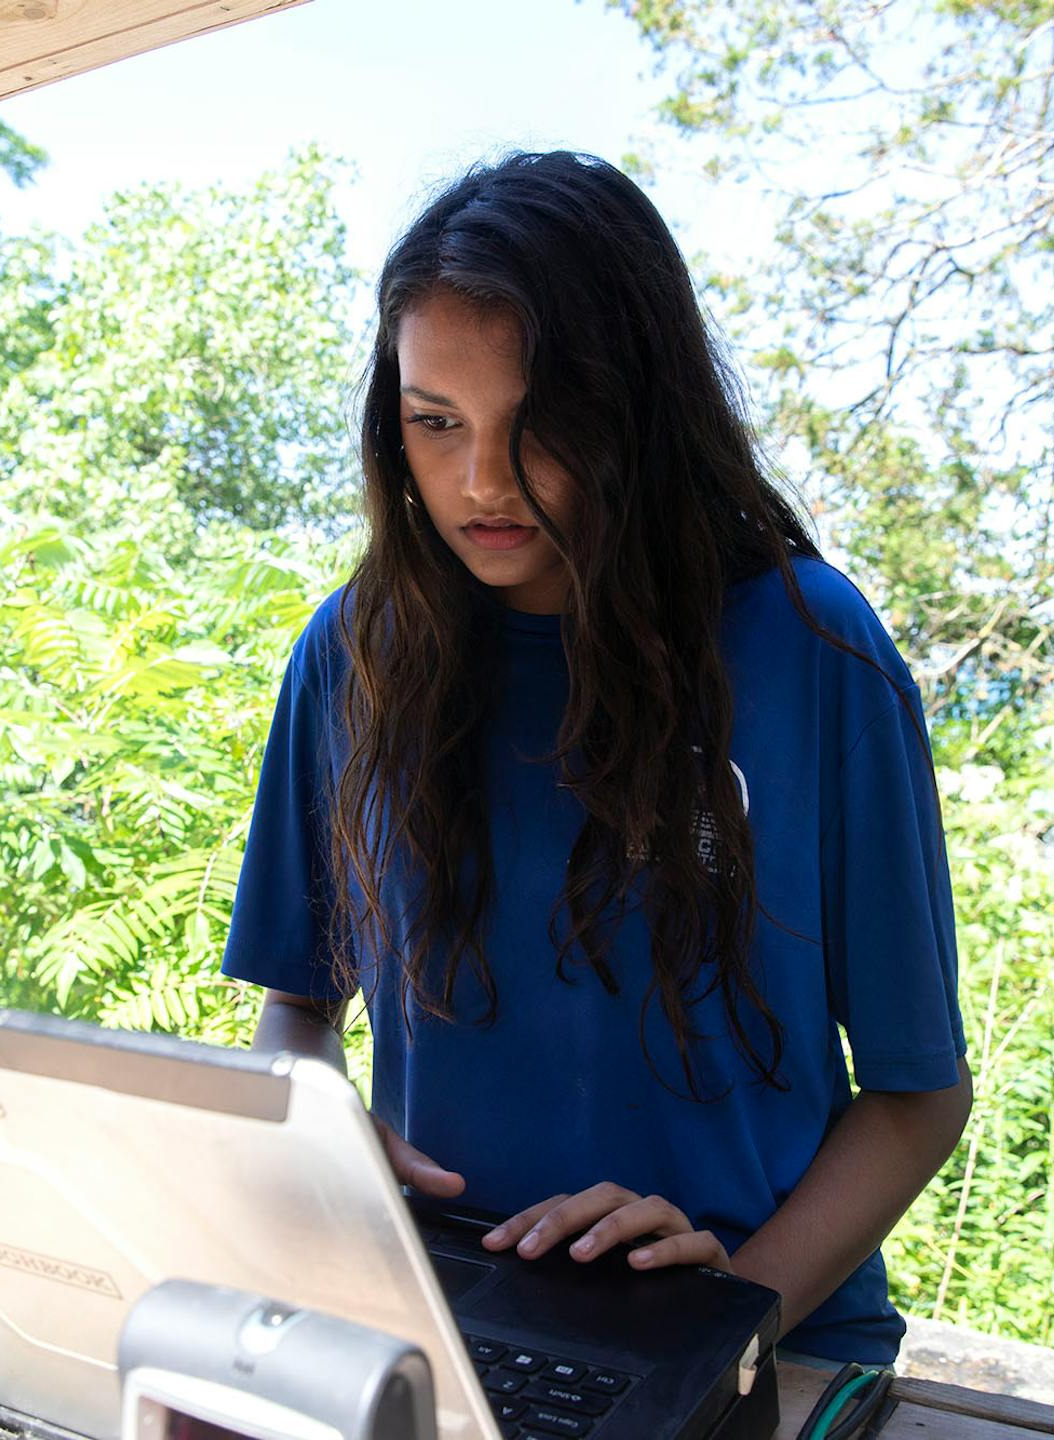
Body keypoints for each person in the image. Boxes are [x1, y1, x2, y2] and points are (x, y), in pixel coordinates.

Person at [218, 149, 973, 1369]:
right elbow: (295, 1013)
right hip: (451, 1332)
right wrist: (328, 1136)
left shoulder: (816, 649)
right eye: (434, 422)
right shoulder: (353, 658)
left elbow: (919, 1095)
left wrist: (726, 1309)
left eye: (540, 424)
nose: (481, 482)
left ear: (639, 404)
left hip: (767, 1340)